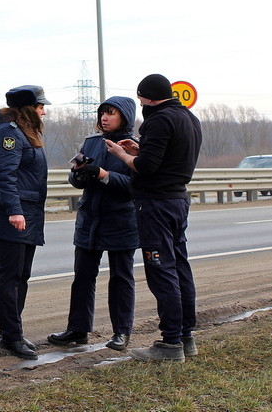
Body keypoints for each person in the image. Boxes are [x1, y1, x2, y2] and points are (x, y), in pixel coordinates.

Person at [105, 73, 202, 362]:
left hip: (156, 204)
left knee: (161, 270)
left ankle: (169, 342)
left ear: (146, 98)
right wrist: (140, 148)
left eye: (140, 99)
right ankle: (186, 336)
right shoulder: (188, 118)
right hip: (177, 199)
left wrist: (123, 154)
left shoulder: (158, 120)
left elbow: (146, 167)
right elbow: (165, 157)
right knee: (180, 267)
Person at [48, 96, 139, 351]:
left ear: (125, 117)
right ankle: (78, 329)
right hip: (90, 218)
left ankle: (121, 332)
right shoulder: (91, 143)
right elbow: (76, 180)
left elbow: (135, 186)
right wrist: (79, 174)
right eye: (102, 113)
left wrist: (103, 175)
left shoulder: (134, 147)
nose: (105, 118)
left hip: (122, 219)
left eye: (111, 113)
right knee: (83, 276)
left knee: (121, 277)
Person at [0, 84, 50, 360]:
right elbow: (4, 175)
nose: (44, 111)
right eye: (40, 106)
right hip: (11, 214)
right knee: (10, 276)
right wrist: (14, 210)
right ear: (27, 108)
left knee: (21, 275)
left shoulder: (24, 132)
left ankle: (12, 331)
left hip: (27, 212)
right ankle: (11, 336)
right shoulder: (7, 134)